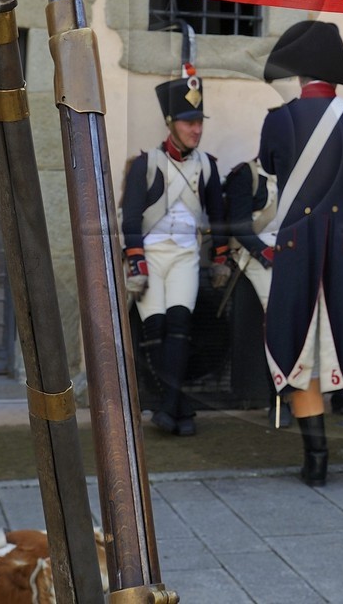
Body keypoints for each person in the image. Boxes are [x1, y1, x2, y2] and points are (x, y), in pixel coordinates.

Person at [258, 20, 343, 485]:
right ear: (337, 73)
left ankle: (315, 464)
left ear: (300, 73)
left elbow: (275, 171)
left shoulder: (277, 121)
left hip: (298, 251)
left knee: (302, 350)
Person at [120, 67, 228, 437]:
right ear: (170, 123)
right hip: (149, 256)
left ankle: (167, 407)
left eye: (199, 121)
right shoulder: (146, 164)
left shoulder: (208, 166)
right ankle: (179, 408)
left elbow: (219, 216)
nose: (196, 129)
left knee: (180, 325)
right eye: (188, 122)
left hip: (185, 256)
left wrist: (220, 259)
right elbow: (131, 216)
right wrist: (136, 261)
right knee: (156, 328)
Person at [222, 144, 289, 428]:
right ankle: (278, 398)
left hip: (290, 256)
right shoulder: (245, 175)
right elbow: (238, 224)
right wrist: (264, 252)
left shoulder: (294, 175)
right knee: (277, 324)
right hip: (256, 257)